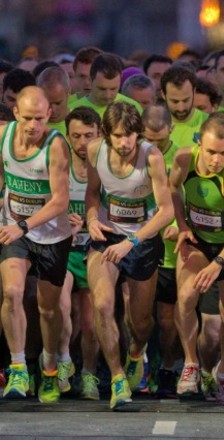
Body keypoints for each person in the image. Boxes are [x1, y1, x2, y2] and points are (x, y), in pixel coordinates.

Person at [85, 101, 174, 410]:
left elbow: (167, 212)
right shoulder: (95, 150)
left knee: (140, 322)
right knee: (103, 303)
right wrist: (92, 218)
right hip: (108, 237)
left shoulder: (152, 156)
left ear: (138, 134)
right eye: (118, 136)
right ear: (107, 134)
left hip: (142, 240)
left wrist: (132, 241)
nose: (124, 144)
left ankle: (136, 354)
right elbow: (93, 193)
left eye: (130, 136)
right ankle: (117, 378)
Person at [170, 115, 224, 403]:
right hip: (198, 242)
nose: (217, 160)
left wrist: (219, 264)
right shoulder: (182, 160)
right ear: (199, 146)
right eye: (211, 152)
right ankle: (191, 364)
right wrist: (182, 225)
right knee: (186, 297)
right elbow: (172, 190)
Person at [0, 87, 71, 404]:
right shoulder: (3, 135)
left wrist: (24, 225)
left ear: (49, 116)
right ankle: (17, 366)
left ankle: (50, 368)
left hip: (52, 234)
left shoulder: (56, 145)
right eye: (27, 118)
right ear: (15, 113)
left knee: (48, 308)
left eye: (39, 119)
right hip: (15, 229)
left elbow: (60, 201)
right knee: (12, 292)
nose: (33, 126)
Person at [139, 103, 183, 398]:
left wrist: (181, 224)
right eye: (149, 140)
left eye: (160, 141)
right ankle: (140, 365)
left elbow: (192, 198)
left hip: (170, 253)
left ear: (172, 130)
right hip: (138, 248)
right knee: (137, 317)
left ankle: (167, 368)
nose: (154, 147)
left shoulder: (182, 157)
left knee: (168, 321)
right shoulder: (130, 153)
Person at [59, 106, 102, 400]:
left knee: (89, 321)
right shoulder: (58, 165)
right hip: (62, 249)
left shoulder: (109, 168)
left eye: (89, 135)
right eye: (76, 136)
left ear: (100, 134)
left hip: (94, 252)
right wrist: (62, 221)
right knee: (61, 310)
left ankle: (88, 373)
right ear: (67, 135)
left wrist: (95, 222)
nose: (83, 142)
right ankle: (60, 363)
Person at [69, 53, 142, 118]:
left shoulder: (133, 109)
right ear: (91, 79)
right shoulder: (72, 111)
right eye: (102, 89)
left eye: (113, 89)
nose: (108, 95)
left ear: (120, 79)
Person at [161, 66, 208, 148]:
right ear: (163, 95)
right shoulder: (152, 126)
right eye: (175, 101)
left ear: (194, 92)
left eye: (186, 100)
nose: (181, 108)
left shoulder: (210, 122)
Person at [37, 66, 71, 135]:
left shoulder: (82, 124)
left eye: (58, 103)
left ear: (69, 93)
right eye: (47, 104)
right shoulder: (31, 127)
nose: (53, 110)